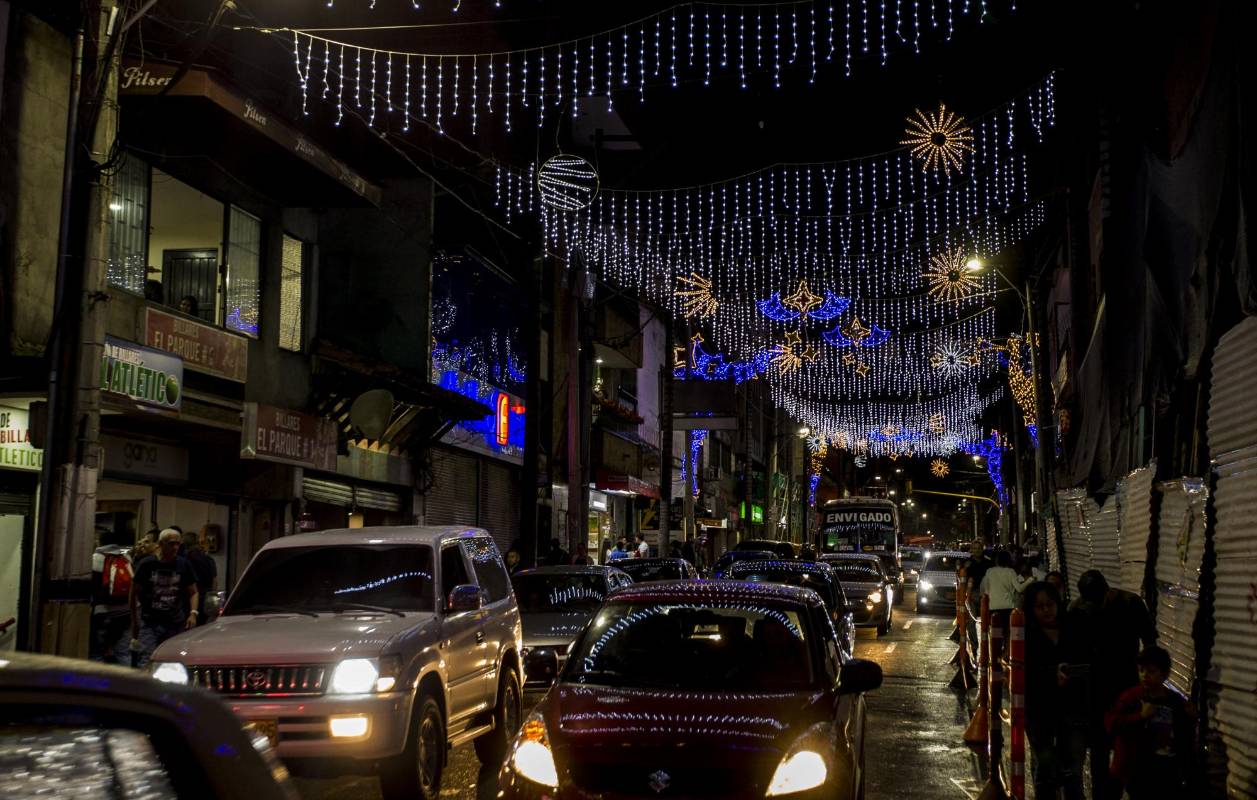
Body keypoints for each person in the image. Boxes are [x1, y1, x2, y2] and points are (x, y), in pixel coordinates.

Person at [1069, 569, 1158, 800]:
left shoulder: (1131, 603)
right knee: (1099, 747)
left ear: (1108, 592)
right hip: (1095, 688)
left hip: (1126, 684)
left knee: (1127, 744)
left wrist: (1149, 681)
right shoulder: (1078, 608)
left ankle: (1128, 789)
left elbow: (1150, 643)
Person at [1023, 582, 1086, 800]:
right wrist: (1051, 674)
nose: (1046, 610)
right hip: (1039, 711)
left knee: (1073, 772)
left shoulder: (1072, 629)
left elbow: (1086, 661)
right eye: (1039, 606)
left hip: (1072, 708)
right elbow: (1022, 671)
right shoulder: (1024, 634)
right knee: (1045, 768)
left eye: (1049, 604)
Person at [1105, 646, 1194, 798]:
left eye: (1151, 671)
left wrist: (1190, 717)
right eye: (1141, 670)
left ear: (1164, 674)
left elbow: (1184, 733)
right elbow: (1111, 723)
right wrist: (1140, 716)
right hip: (1138, 769)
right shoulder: (1131, 697)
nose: (1145, 675)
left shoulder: (1174, 701)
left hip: (1166, 769)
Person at [129, 528, 199, 668]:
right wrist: (135, 620)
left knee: (172, 661)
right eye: (171, 544)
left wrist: (193, 613)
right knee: (147, 660)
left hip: (175, 622)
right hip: (150, 622)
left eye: (178, 544)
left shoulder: (183, 564)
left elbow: (193, 592)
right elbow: (133, 593)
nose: (175, 547)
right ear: (161, 544)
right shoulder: (147, 564)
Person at [181, 527, 218, 626]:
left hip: (189, 599)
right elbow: (215, 581)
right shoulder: (209, 559)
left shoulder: (184, 559)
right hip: (205, 597)